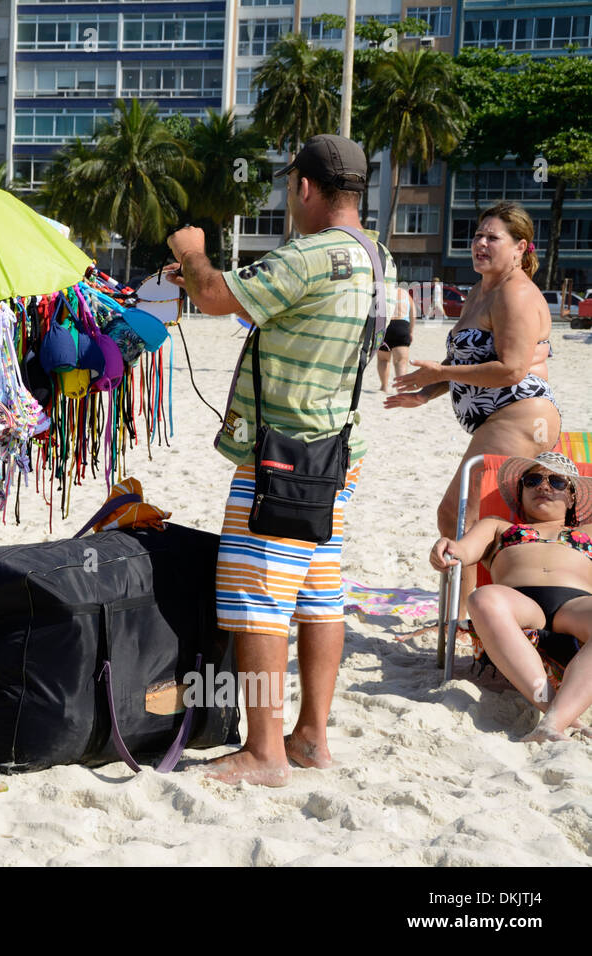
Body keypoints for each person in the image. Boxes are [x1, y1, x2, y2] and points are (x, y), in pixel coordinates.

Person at [165, 133, 396, 787]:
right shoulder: (377, 257)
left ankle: (265, 752)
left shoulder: (311, 255)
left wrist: (193, 254)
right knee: (320, 594)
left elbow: (216, 298)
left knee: (254, 598)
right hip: (338, 451)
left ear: (303, 187)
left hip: (284, 457)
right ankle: (312, 738)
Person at [386, 202, 559, 616]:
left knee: (457, 514)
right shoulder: (482, 290)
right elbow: (471, 367)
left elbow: (512, 368)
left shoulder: (514, 291)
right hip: (502, 415)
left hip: (519, 413)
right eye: (478, 235)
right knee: (474, 520)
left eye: (492, 237)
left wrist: (440, 371)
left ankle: (462, 620)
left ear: (520, 247)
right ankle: (480, 609)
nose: (480, 243)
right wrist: (427, 392)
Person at [430, 452, 592, 741]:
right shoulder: (499, 526)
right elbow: (463, 551)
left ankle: (553, 721)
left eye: (556, 481)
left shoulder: (588, 531)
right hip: (518, 602)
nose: (543, 486)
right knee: (481, 599)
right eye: (533, 480)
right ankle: (555, 713)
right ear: (521, 493)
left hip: (577, 605)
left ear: (571, 498)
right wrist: (447, 548)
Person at [375, 284, 416, 392]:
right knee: (400, 361)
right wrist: (411, 331)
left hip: (384, 325)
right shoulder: (404, 293)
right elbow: (413, 313)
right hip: (401, 325)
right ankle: (400, 388)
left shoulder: (380, 292)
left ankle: (384, 387)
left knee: (383, 359)